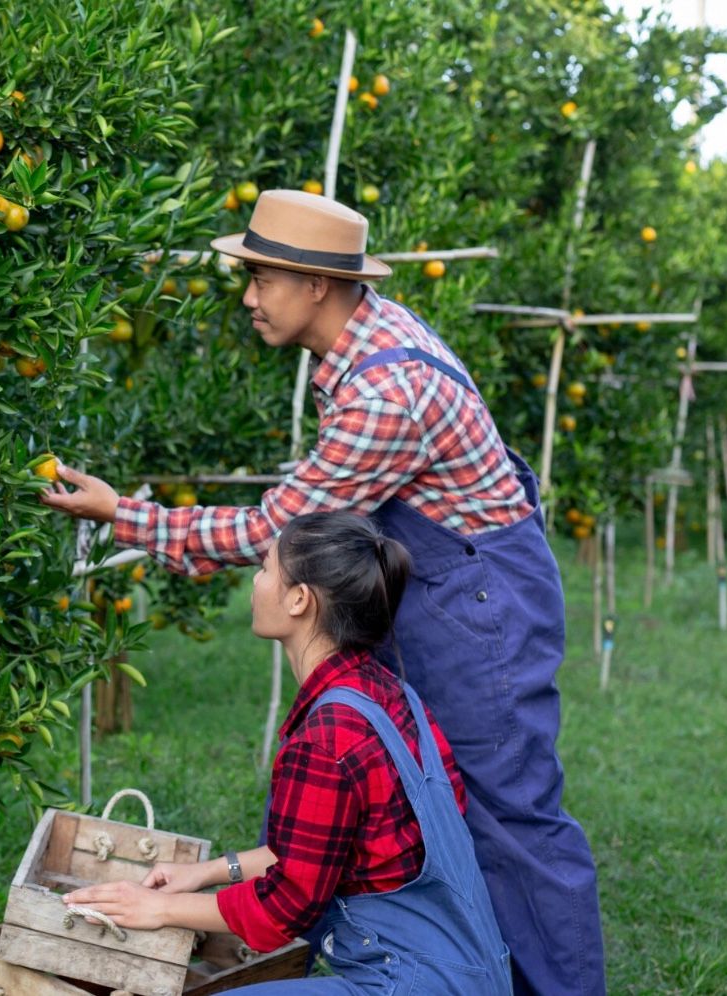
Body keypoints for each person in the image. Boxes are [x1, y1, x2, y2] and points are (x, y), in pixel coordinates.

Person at [42, 190, 603, 995]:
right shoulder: (368, 337)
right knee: (442, 808)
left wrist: (123, 516)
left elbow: (276, 531)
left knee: (514, 821)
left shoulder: (382, 397)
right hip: (455, 586)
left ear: (315, 285)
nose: (246, 296)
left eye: (262, 278)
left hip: (480, 605)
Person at [63, 512, 511, 994]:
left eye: (265, 569)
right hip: (473, 972)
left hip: (405, 983)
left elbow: (284, 909)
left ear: (299, 599)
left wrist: (157, 908)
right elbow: (325, 850)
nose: (255, 583)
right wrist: (208, 872)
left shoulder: (326, 737)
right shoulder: (394, 696)